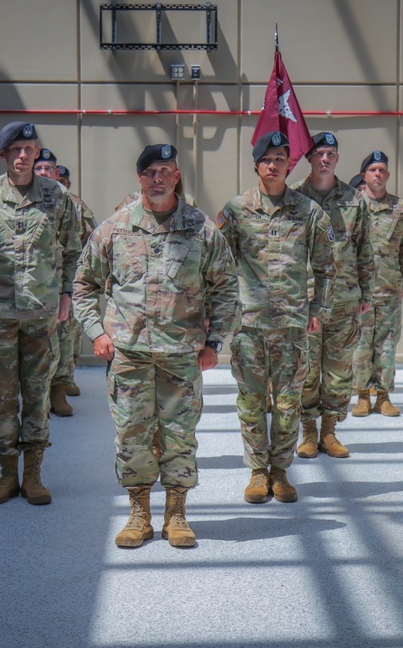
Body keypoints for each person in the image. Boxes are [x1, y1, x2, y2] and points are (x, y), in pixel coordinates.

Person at [73, 143, 238, 548]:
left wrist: (214, 341)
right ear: (140, 178)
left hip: (182, 356)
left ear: (177, 175)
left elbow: (227, 289)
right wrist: (97, 332)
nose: (158, 178)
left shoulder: (201, 229)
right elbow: (82, 285)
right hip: (129, 356)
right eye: (150, 172)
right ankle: (139, 513)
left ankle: (177, 513)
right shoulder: (115, 228)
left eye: (165, 170)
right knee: (132, 436)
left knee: (179, 435)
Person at [217, 131, 336, 504]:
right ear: (256, 165)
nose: (273, 165)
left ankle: (280, 472)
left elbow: (325, 266)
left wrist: (319, 310)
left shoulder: (308, 211)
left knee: (288, 404)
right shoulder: (236, 211)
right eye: (267, 159)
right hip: (249, 326)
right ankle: (256, 472)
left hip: (292, 325)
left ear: (289, 164)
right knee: (251, 402)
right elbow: (218, 266)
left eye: (280, 159)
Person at [0, 122, 81, 506]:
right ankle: (5, 475)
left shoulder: (57, 196)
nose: (23, 155)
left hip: (41, 312)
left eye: (29, 148)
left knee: (36, 392)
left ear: (37, 154)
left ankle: (33, 475)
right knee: (2, 394)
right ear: (3, 154)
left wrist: (66, 294)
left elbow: (72, 250)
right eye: (16, 148)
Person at [289, 132, 373, 459]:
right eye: (319, 153)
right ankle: (308, 431)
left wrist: (367, 293)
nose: (325, 159)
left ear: (337, 159)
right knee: (306, 369)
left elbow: (366, 251)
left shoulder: (355, 201)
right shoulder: (294, 197)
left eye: (331, 154)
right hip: (305, 300)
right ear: (309, 158)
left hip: (344, 299)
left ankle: (329, 432)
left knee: (338, 371)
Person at [351, 151, 403, 417]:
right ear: (364, 175)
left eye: (382, 170)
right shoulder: (352, 206)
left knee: (387, 345)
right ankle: (362, 396)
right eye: (373, 170)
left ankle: (384, 396)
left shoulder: (401, 209)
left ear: (387, 175)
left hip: (389, 288)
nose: (378, 174)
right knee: (361, 344)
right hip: (359, 291)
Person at [33, 153, 98, 415]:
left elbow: (89, 241)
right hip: (32, 285)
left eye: (49, 168)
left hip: (63, 282)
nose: (44, 172)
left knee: (63, 336)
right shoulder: (22, 201)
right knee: (34, 342)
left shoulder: (71, 203)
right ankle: (37, 394)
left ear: (57, 172)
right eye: (39, 167)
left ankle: (59, 389)